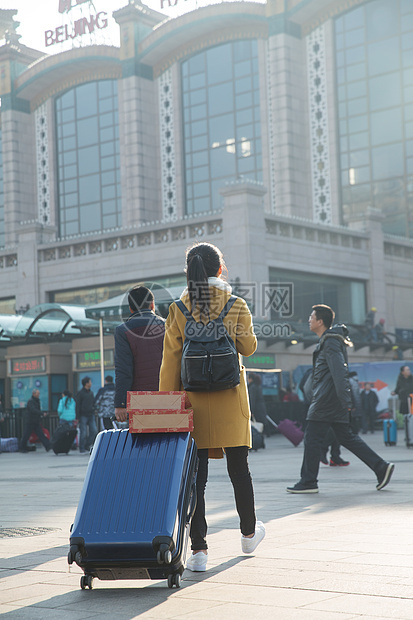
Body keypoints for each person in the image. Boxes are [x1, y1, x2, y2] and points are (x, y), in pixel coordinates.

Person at [159, 242, 265, 572]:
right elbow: (248, 347)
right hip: (231, 401)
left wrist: (167, 408)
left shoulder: (178, 308)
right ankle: (248, 534)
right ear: (220, 270)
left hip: (194, 406)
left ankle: (199, 552)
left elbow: (170, 363)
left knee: (196, 480)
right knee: (239, 471)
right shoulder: (235, 304)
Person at [287, 304, 394, 494]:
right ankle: (381, 467)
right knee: (347, 438)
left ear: (320, 321)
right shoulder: (329, 341)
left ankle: (308, 481)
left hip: (326, 401)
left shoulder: (330, 341)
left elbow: (339, 372)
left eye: (312, 317)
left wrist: (346, 402)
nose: (309, 320)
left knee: (311, 438)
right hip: (331, 400)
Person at [114, 286, 166, 423]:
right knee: (168, 441)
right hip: (169, 396)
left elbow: (123, 370)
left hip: (139, 401)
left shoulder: (123, 331)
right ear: (152, 305)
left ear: (131, 308)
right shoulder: (168, 326)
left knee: (143, 442)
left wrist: (120, 404)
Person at [75, 377, 96, 454]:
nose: (91, 383)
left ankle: (88, 444)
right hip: (83, 415)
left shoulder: (91, 393)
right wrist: (77, 417)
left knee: (94, 431)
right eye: (90, 382)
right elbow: (77, 405)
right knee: (83, 432)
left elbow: (93, 402)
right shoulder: (80, 393)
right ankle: (82, 447)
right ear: (86, 383)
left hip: (91, 414)